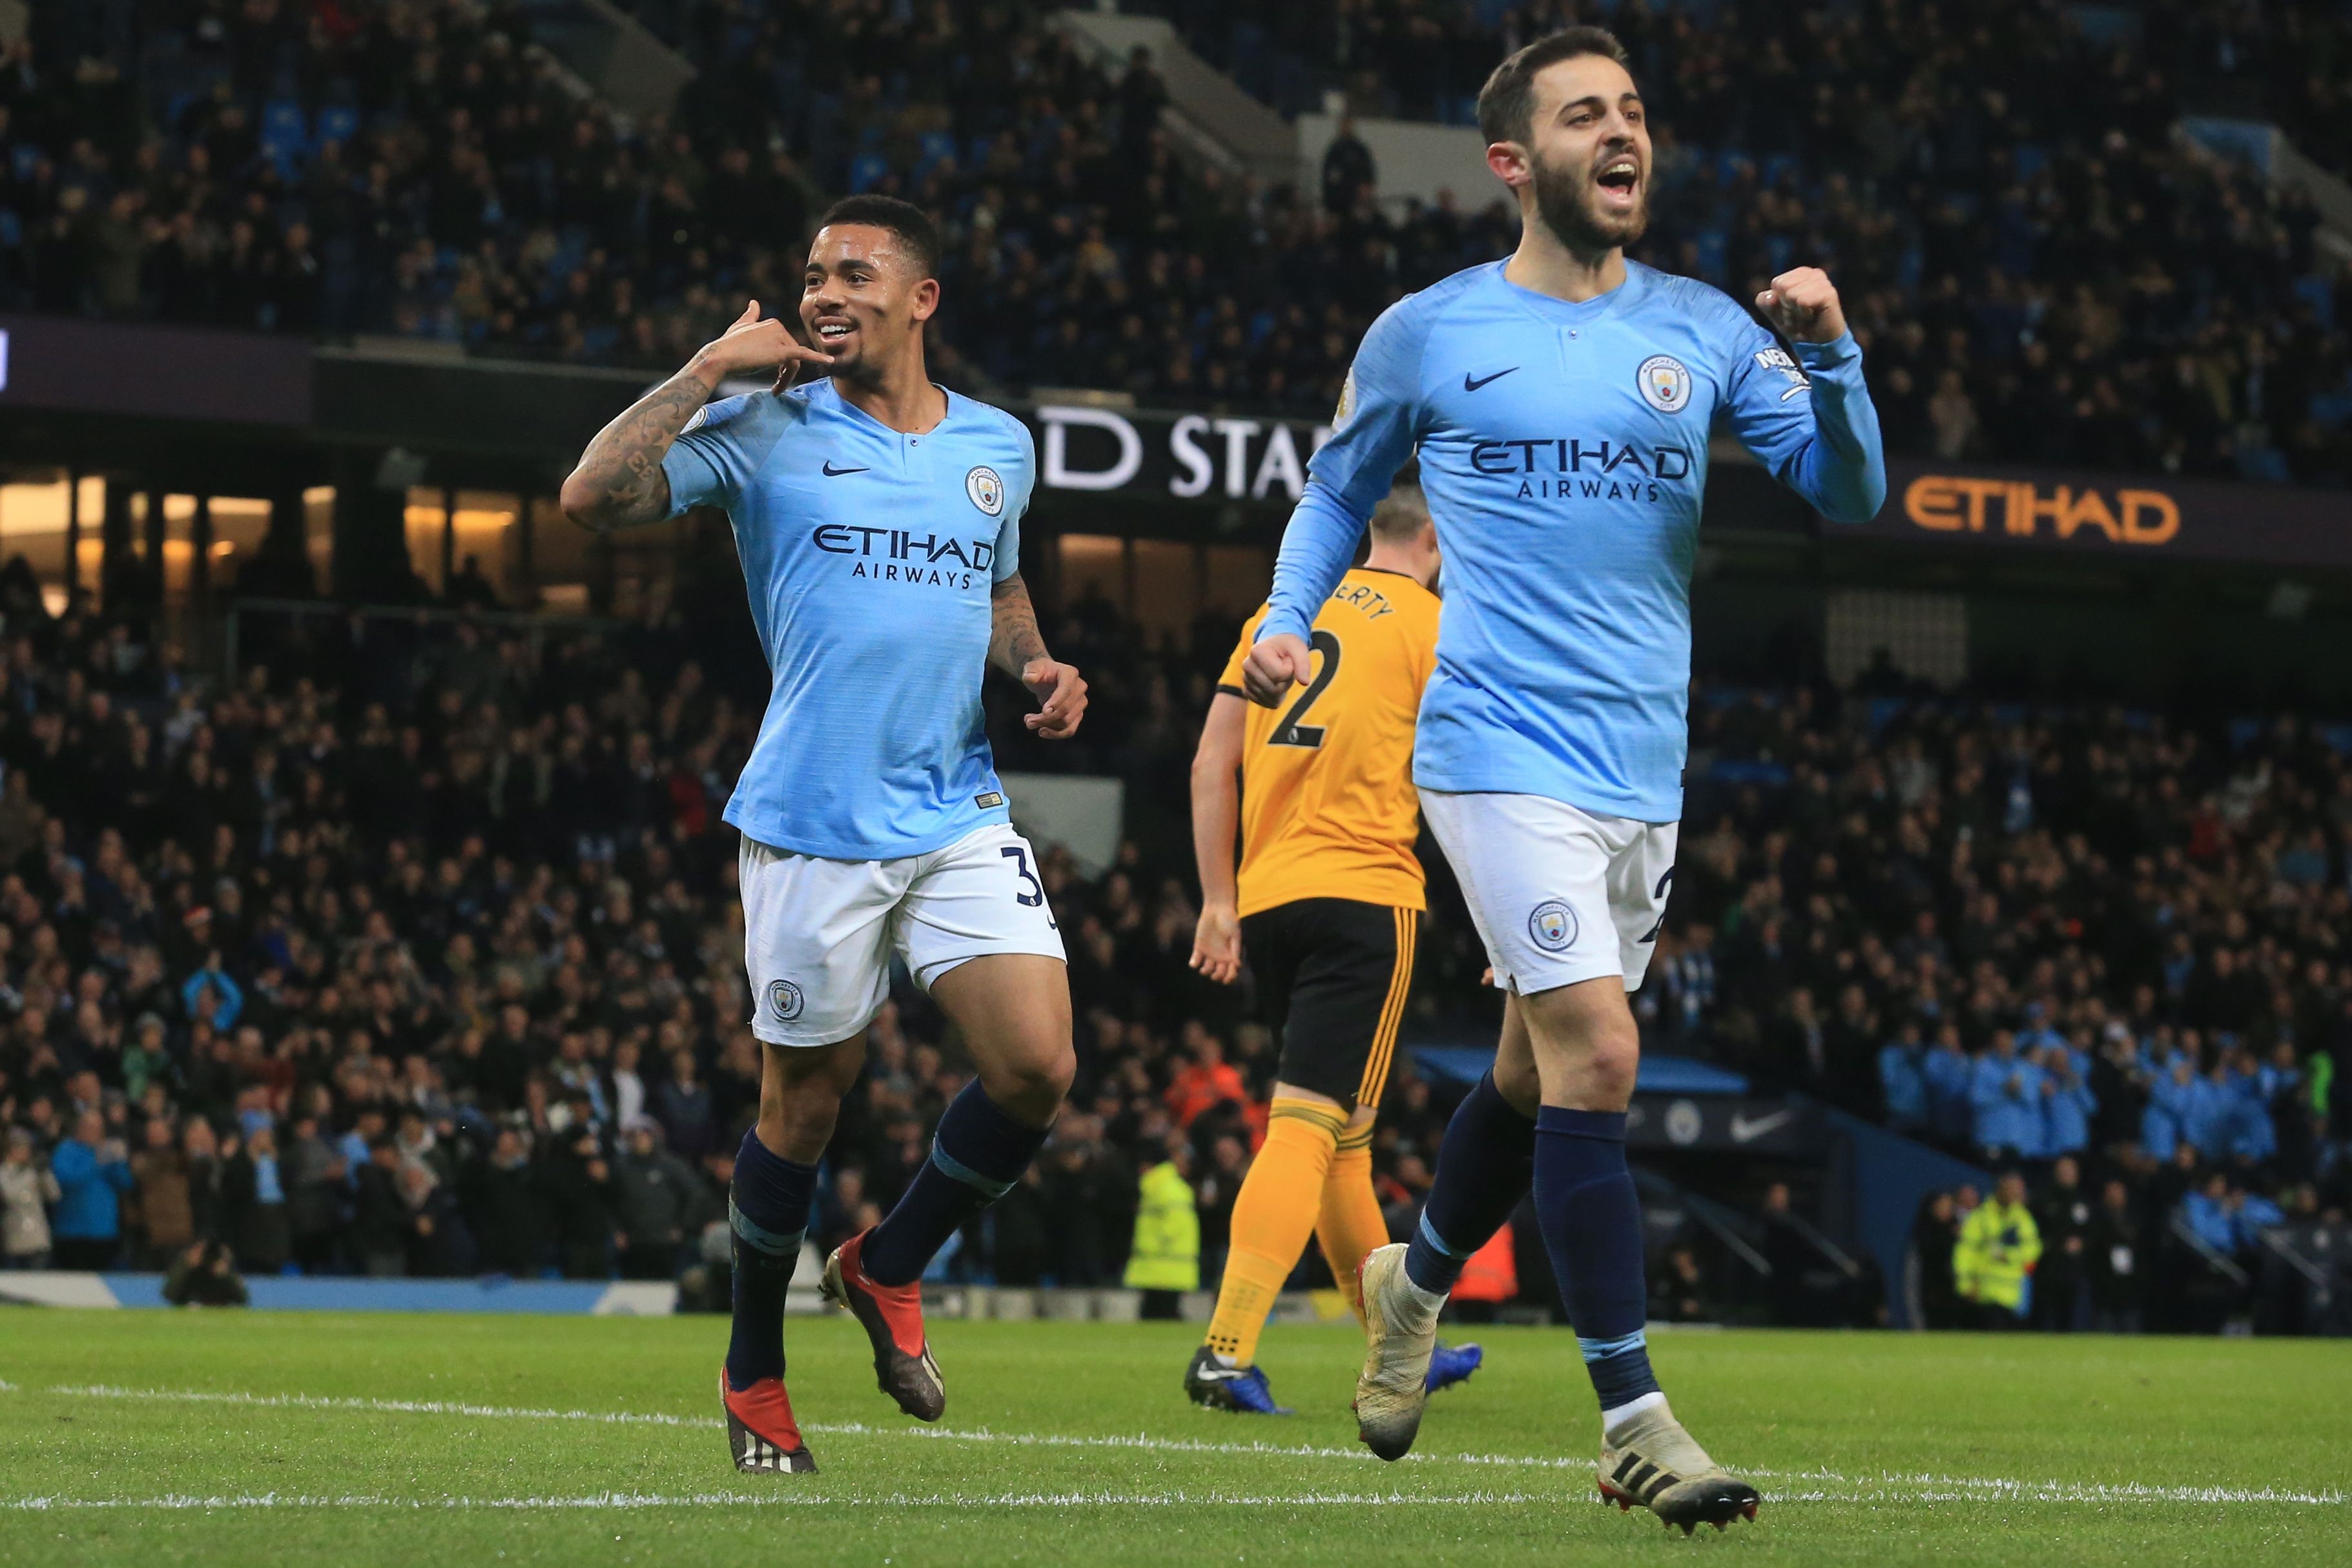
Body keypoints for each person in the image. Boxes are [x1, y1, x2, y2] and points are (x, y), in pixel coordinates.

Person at [1241, 26, 1881, 1531]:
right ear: (1513, 164)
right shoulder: (1427, 331)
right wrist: (1282, 620)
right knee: (1597, 1049)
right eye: (1586, 113)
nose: (1624, 133)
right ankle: (1635, 1418)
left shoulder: (1708, 329)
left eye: (1636, 111)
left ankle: (1409, 1274)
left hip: (1636, 767)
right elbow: (1336, 491)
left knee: (1534, 1073)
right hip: (1490, 752)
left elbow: (1844, 490)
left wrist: (1837, 351)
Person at [561, 194, 1089, 1477]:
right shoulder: (763, 427)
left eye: (854, 272)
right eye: (810, 274)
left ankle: (886, 1260)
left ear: (923, 299)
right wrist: (701, 371)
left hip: (954, 802)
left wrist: (1034, 660)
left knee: (1037, 1067)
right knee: (804, 1104)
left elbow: (998, 576)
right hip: (811, 820)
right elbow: (591, 497)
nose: (823, 292)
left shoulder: (998, 445)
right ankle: (753, 1369)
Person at [1183, 482, 1479, 1414]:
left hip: (1270, 897)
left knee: (1342, 1139)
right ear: (1434, 535)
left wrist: (1217, 902)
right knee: (1308, 1129)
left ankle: (1399, 1346)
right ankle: (1224, 1352)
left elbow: (1208, 763)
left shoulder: (1280, 616)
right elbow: (1466, 781)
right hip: (1364, 892)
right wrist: (1504, 914)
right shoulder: (1435, 626)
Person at [1125, 1132, 1201, 1320]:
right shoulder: (1161, 1186)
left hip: (1163, 1264)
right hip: (1165, 1266)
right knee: (1159, 1314)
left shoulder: (1164, 1188)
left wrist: (1151, 1246)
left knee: (1159, 1314)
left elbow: (1174, 1225)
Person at [1954, 1170, 2042, 1329]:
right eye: (2012, 1188)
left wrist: (2009, 1255)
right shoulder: (1980, 1217)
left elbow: (2033, 1249)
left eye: (2019, 1189)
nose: (2016, 1193)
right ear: (2000, 1189)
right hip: (1984, 1294)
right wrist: (1965, 1284)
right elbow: (1965, 1253)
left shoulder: (2022, 1218)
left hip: (2014, 1296)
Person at [50, 1111, 134, 1271]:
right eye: (88, 1127)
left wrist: (119, 1162)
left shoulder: (107, 1152)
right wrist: (95, 1162)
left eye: (97, 1128)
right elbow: (64, 1180)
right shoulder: (67, 1150)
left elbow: (125, 1184)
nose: (93, 1132)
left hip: (104, 1232)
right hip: (71, 1232)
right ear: (79, 1128)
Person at [3, 1128, 61, 1268]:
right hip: (12, 1238)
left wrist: (44, 1174)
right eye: (20, 1147)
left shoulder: (34, 1171)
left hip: (37, 1239)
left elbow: (54, 1195)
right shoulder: (3, 1172)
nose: (25, 1152)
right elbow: (10, 1196)